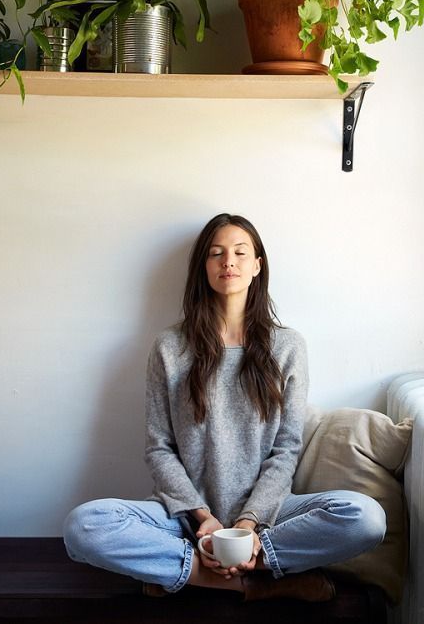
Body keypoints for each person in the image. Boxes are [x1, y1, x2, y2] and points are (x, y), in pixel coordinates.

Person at [63, 213, 386, 601]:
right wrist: (204, 519)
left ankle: (202, 571)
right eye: (216, 254)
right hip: (184, 519)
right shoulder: (170, 348)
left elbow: (287, 449)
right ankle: (245, 584)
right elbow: (159, 448)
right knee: (84, 526)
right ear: (204, 268)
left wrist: (249, 525)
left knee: (365, 518)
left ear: (256, 266)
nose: (228, 261)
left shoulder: (288, 347)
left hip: (269, 518)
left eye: (239, 252)